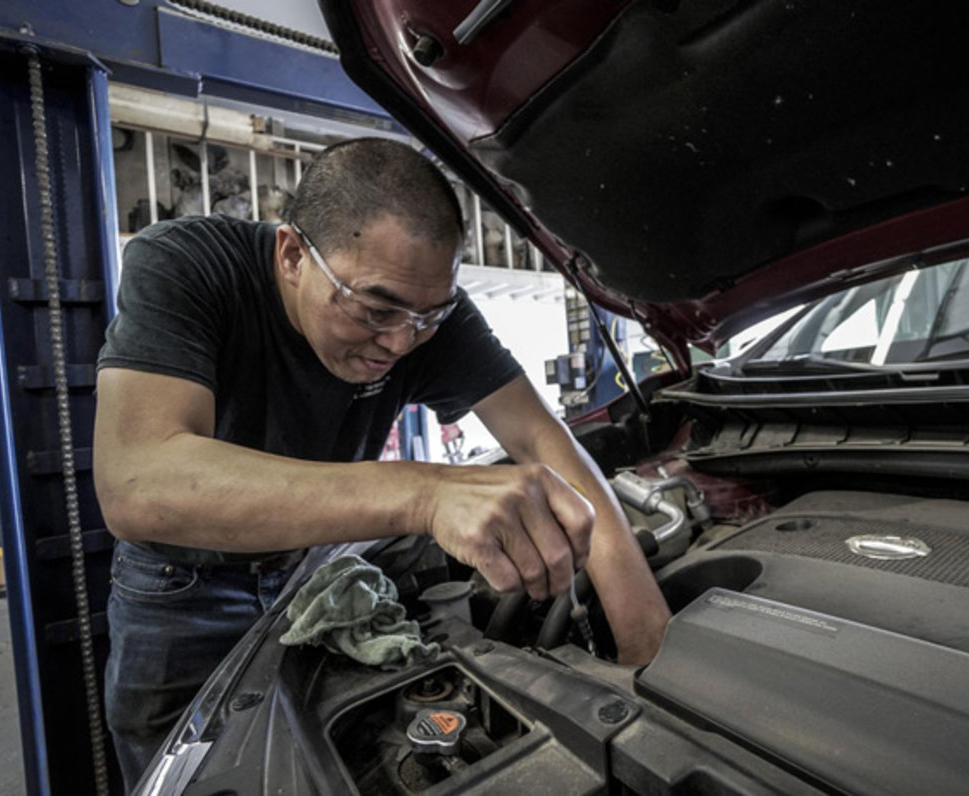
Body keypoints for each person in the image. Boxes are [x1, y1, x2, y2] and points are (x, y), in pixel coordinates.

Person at [93, 138, 671, 790]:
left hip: (315, 571)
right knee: (185, 773)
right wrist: (426, 494)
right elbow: (138, 482)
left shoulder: (425, 314)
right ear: (291, 255)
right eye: (375, 310)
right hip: (181, 589)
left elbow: (544, 442)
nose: (400, 341)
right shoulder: (188, 265)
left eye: (429, 315)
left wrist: (646, 641)